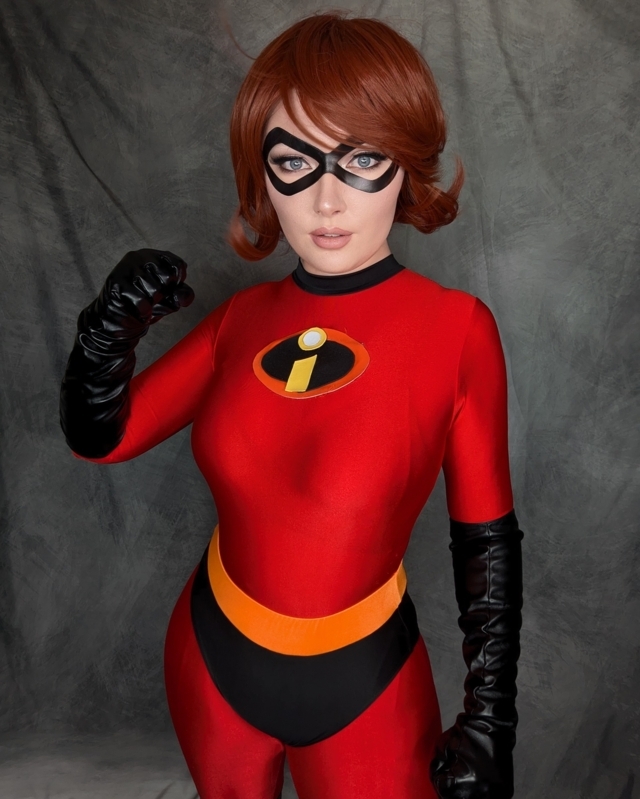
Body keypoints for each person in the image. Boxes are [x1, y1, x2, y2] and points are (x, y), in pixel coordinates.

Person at [59, 13, 523, 799]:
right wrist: (103, 339)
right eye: (293, 161)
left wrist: (490, 717)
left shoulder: (456, 331)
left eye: (362, 158)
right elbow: (101, 440)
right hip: (211, 658)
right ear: (263, 175)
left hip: (365, 682)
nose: (326, 199)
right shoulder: (239, 321)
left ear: (406, 164)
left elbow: (486, 542)